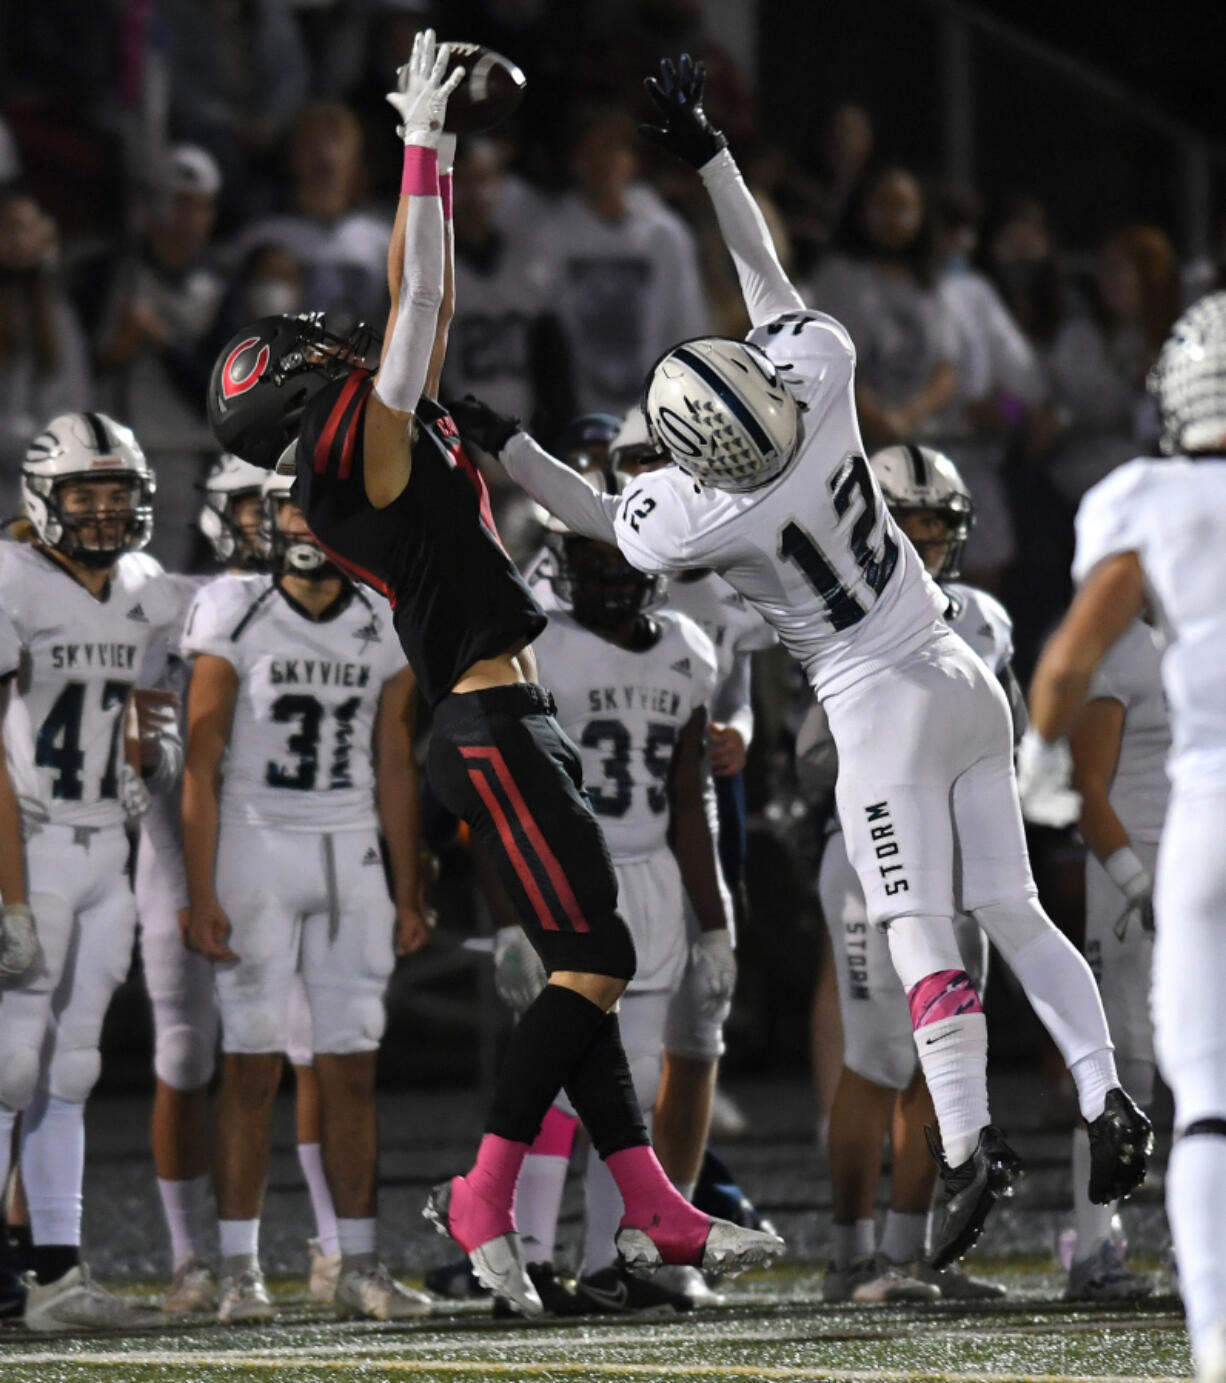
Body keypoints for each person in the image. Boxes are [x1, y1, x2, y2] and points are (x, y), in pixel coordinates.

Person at [471, 51, 1152, 1269]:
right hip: (955, 668)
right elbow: (761, 274)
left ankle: (964, 1141)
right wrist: (712, 156)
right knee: (1012, 902)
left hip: (874, 703)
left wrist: (502, 442)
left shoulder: (698, 512)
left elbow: (583, 511)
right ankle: (1105, 1093)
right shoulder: (821, 374)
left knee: (916, 928)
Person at [204, 31, 782, 1318]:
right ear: (291, 392)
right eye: (309, 341)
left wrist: (683, 523)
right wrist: (430, 144)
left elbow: (560, 495)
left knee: (590, 959)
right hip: (487, 720)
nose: (330, 337)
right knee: (599, 956)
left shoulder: (395, 438)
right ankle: (481, 1195)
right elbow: (422, 304)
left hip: (504, 714)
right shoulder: (344, 453)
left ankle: (652, 1207)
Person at [1020, 290, 1226, 1383]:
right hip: (1158, 850)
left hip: (1201, 830)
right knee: (1148, 1073)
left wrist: (1032, 771)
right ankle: (1104, 1250)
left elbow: (1058, 670)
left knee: (1202, 1103)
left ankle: (1212, 1337)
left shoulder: (1143, 501)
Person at [180, 463, 429, 1324]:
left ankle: (358, 1262)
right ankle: (239, 1267)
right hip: (256, 843)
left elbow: (397, 764)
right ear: (268, 517)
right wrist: (201, 887)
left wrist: (408, 886)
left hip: (349, 845)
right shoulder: (231, 608)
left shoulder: (381, 614)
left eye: (320, 506)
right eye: (291, 505)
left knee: (352, 1069)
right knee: (250, 1066)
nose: (306, 522)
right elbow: (201, 765)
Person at [797, 445, 1017, 1303]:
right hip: (875, 855)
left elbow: (1014, 735)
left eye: (938, 523)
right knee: (876, 1054)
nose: (925, 537)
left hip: (963, 862)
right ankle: (850, 1255)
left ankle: (905, 1252)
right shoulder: (837, 607)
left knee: (945, 1054)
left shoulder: (986, 618)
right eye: (910, 520)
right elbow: (815, 753)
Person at [501, 515, 731, 1314]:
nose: (608, 579)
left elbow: (688, 801)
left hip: (655, 876)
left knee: (627, 1087)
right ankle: (523, 1260)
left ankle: (606, 1262)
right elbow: (506, 791)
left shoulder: (688, 647)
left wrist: (713, 919)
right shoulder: (538, 642)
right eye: (592, 562)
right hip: (567, 872)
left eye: (621, 561)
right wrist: (508, 913)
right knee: (555, 1081)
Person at [0, 412, 180, 1330]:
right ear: (45, 499)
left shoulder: (146, 584)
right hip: (29, 842)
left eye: (117, 492)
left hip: (110, 845)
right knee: (7, 1062)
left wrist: (156, 735)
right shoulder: (9, 577)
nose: (104, 511)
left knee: (71, 1065)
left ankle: (56, 1275)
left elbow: (147, 701)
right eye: (84, 493)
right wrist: (10, 890)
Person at [1065, 612, 1169, 1301]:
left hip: (1200, 870)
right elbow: (1087, 786)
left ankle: (1198, 1242)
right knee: (1122, 1064)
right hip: (1132, 876)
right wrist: (1137, 882)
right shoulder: (1118, 651)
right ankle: (1094, 1244)